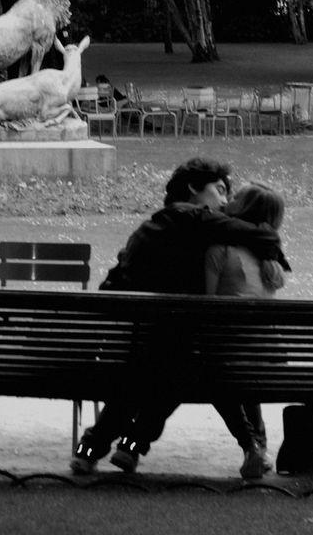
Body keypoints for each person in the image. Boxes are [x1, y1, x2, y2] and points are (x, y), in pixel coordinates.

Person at [70, 158, 289, 479]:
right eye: (219, 190)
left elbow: (114, 283)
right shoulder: (192, 218)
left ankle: (94, 450)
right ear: (193, 190)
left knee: (168, 369)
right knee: (180, 371)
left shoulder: (150, 228)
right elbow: (264, 237)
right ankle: (131, 445)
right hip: (167, 346)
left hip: (135, 344)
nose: (225, 201)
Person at [203, 182, 287, 474]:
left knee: (214, 374)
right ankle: (258, 449)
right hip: (270, 358)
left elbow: (207, 307)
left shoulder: (220, 248)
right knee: (243, 374)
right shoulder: (269, 257)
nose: (229, 197)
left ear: (243, 209)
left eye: (236, 196)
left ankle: (253, 446)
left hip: (232, 355)